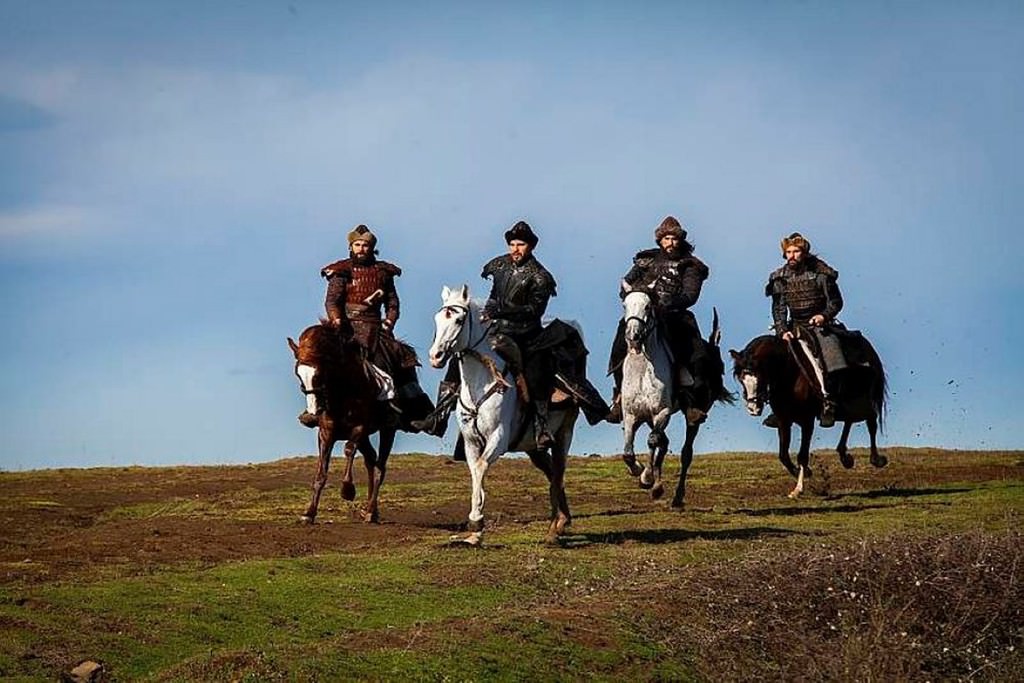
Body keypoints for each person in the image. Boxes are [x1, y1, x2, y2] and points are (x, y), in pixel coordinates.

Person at [411, 220, 558, 448]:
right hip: (497, 329)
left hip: (526, 334)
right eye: (512, 244)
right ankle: (439, 417)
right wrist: (489, 311)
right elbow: (494, 295)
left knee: (534, 372)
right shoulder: (499, 265)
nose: (516, 249)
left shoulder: (541, 276)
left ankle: (541, 427)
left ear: (530, 247)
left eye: (521, 245)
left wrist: (502, 311)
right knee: (461, 354)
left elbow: (535, 310)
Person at [298, 224, 432, 429]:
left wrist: (389, 322)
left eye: (365, 245)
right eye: (358, 245)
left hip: (375, 329)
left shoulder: (384, 272)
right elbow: (332, 301)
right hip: (346, 328)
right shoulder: (340, 271)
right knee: (317, 360)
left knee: (402, 357)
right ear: (351, 247)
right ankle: (314, 409)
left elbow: (393, 303)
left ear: (372, 248)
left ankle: (413, 411)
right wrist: (336, 319)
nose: (361, 249)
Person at [606, 216, 710, 426]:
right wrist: (637, 298)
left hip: (674, 316)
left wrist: (669, 303)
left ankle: (691, 403)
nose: (670, 243)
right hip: (644, 312)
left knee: (695, 354)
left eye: (674, 239)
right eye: (666, 239)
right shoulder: (646, 260)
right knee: (620, 341)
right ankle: (618, 396)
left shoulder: (690, 265)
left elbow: (690, 295)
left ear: (680, 240)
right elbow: (627, 284)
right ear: (660, 240)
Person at [765, 231, 844, 427]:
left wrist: (823, 316)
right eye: (789, 252)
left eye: (796, 251)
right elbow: (779, 308)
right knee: (772, 361)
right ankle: (777, 408)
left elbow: (835, 302)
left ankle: (829, 403)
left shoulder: (821, 275)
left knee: (833, 357)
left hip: (820, 326)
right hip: (793, 327)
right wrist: (782, 330)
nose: (792, 256)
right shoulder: (779, 278)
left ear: (804, 253)